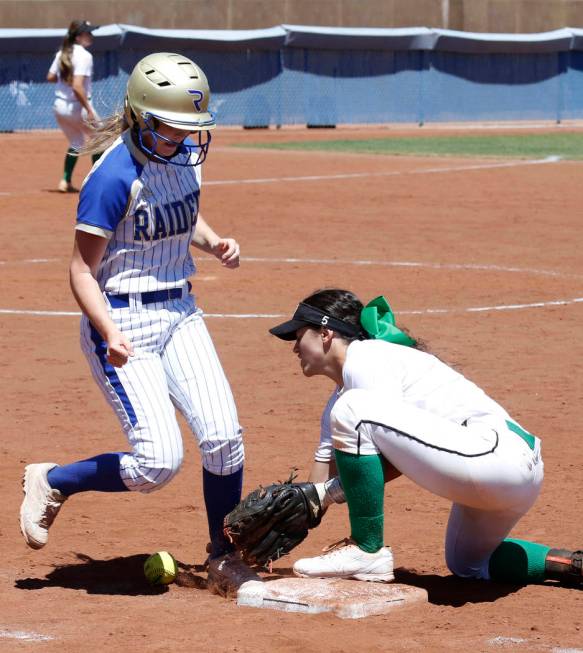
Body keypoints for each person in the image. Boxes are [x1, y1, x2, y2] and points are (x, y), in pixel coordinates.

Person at [20, 52, 260, 594]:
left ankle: (224, 557)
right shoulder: (111, 177)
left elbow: (182, 210)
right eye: (177, 127)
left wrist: (213, 240)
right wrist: (108, 332)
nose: (189, 138)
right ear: (145, 118)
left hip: (181, 314)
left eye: (194, 127)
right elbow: (81, 269)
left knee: (225, 439)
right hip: (123, 322)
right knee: (158, 463)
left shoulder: (184, 158)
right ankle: (53, 480)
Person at [268, 288, 582, 586]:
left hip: (498, 457)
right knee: (468, 563)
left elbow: (385, 459)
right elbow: (323, 484)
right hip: (501, 478)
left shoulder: (367, 359)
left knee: (353, 410)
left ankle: (368, 548)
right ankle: (570, 564)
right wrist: (284, 520)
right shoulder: (340, 405)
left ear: (325, 333)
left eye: (298, 336)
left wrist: (327, 493)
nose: (294, 348)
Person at [47, 20, 100, 192]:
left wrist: (65, 77)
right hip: (79, 106)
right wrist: (89, 109)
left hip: (60, 107)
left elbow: (50, 77)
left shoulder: (62, 53)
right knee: (102, 141)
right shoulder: (85, 56)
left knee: (76, 143)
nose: (91, 36)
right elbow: (77, 86)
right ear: (78, 37)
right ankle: (97, 183)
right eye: (88, 33)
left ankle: (65, 181)